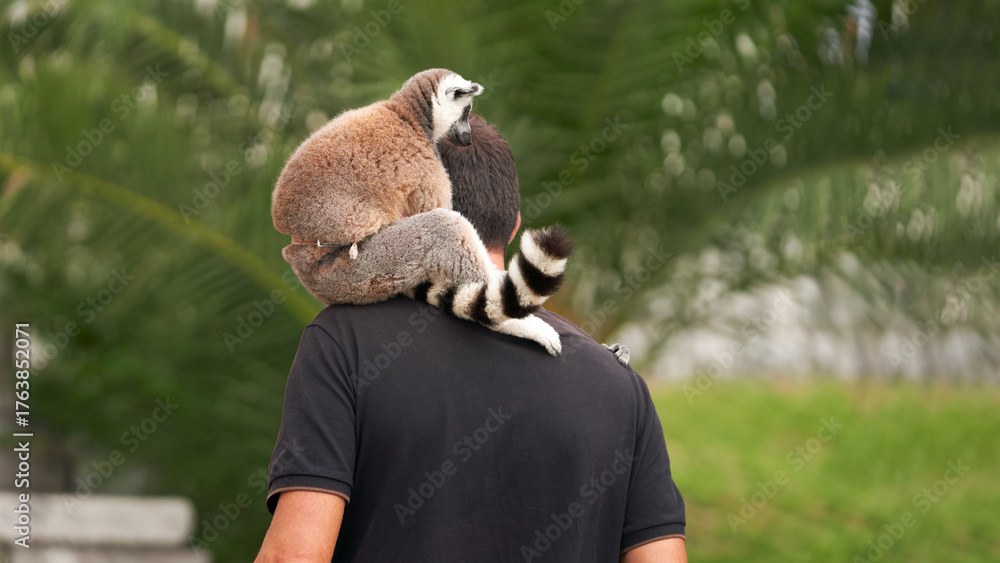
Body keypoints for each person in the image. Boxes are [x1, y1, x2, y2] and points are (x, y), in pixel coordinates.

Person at [255, 114, 686, 563]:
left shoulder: (344, 344)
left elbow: (293, 556)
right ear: (514, 224)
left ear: (405, 218)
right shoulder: (617, 385)